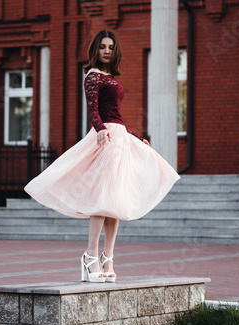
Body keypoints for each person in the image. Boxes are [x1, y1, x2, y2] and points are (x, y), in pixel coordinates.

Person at [24, 29, 180, 283]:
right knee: (102, 197)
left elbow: (115, 113)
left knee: (115, 201)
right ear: (95, 50)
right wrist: (99, 130)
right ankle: (90, 256)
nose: (106, 50)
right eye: (102, 47)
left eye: (110, 47)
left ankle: (109, 257)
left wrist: (136, 136)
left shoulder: (111, 77)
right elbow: (93, 109)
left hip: (119, 137)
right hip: (105, 137)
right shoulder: (93, 76)